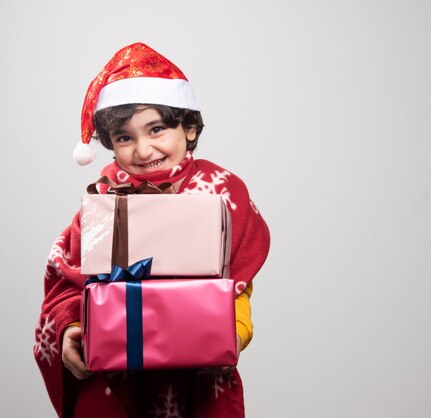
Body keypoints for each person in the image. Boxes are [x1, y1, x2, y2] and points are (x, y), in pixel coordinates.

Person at [34, 42, 270, 418]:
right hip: (117, 376)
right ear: (110, 143)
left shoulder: (222, 189)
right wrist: (70, 328)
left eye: (156, 129)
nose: (143, 151)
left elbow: (238, 277)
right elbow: (68, 275)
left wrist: (236, 331)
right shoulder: (104, 198)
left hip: (198, 375)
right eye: (125, 137)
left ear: (189, 127)